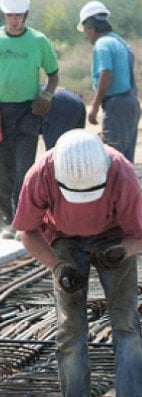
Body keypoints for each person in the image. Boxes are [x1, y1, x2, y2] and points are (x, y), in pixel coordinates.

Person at [12, 129, 142, 397]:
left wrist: (121, 251)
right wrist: (58, 265)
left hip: (115, 236)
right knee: (70, 330)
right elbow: (28, 232)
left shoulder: (121, 172)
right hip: (63, 239)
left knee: (126, 326)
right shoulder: (41, 174)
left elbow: (139, 235)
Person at [0, 0, 59, 238]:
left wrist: (47, 94)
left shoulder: (38, 41)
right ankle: (7, 218)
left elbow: (53, 74)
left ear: (26, 15)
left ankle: (21, 220)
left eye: (18, 15)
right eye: (10, 15)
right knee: (4, 166)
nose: (14, 20)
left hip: (28, 110)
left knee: (25, 167)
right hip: (1, 111)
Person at [78, 1, 140, 162]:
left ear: (91, 27)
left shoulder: (102, 45)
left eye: (86, 30)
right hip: (130, 102)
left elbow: (106, 74)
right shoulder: (119, 42)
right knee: (126, 159)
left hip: (116, 104)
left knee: (112, 158)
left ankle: (115, 188)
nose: (86, 36)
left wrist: (94, 107)